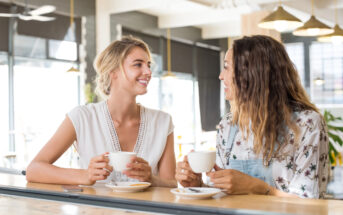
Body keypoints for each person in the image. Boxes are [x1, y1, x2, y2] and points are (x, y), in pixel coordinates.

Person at [175, 35, 329, 198]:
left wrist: (258, 187)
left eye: (227, 67)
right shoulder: (228, 125)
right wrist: (198, 185)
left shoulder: (306, 124)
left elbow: (310, 204)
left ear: (252, 74)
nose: (221, 76)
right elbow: (221, 194)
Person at [26, 36, 176, 187]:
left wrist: (151, 178)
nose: (148, 71)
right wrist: (85, 175)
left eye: (148, 65)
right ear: (113, 71)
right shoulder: (82, 117)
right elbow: (34, 169)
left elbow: (171, 184)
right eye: (138, 65)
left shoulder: (163, 122)